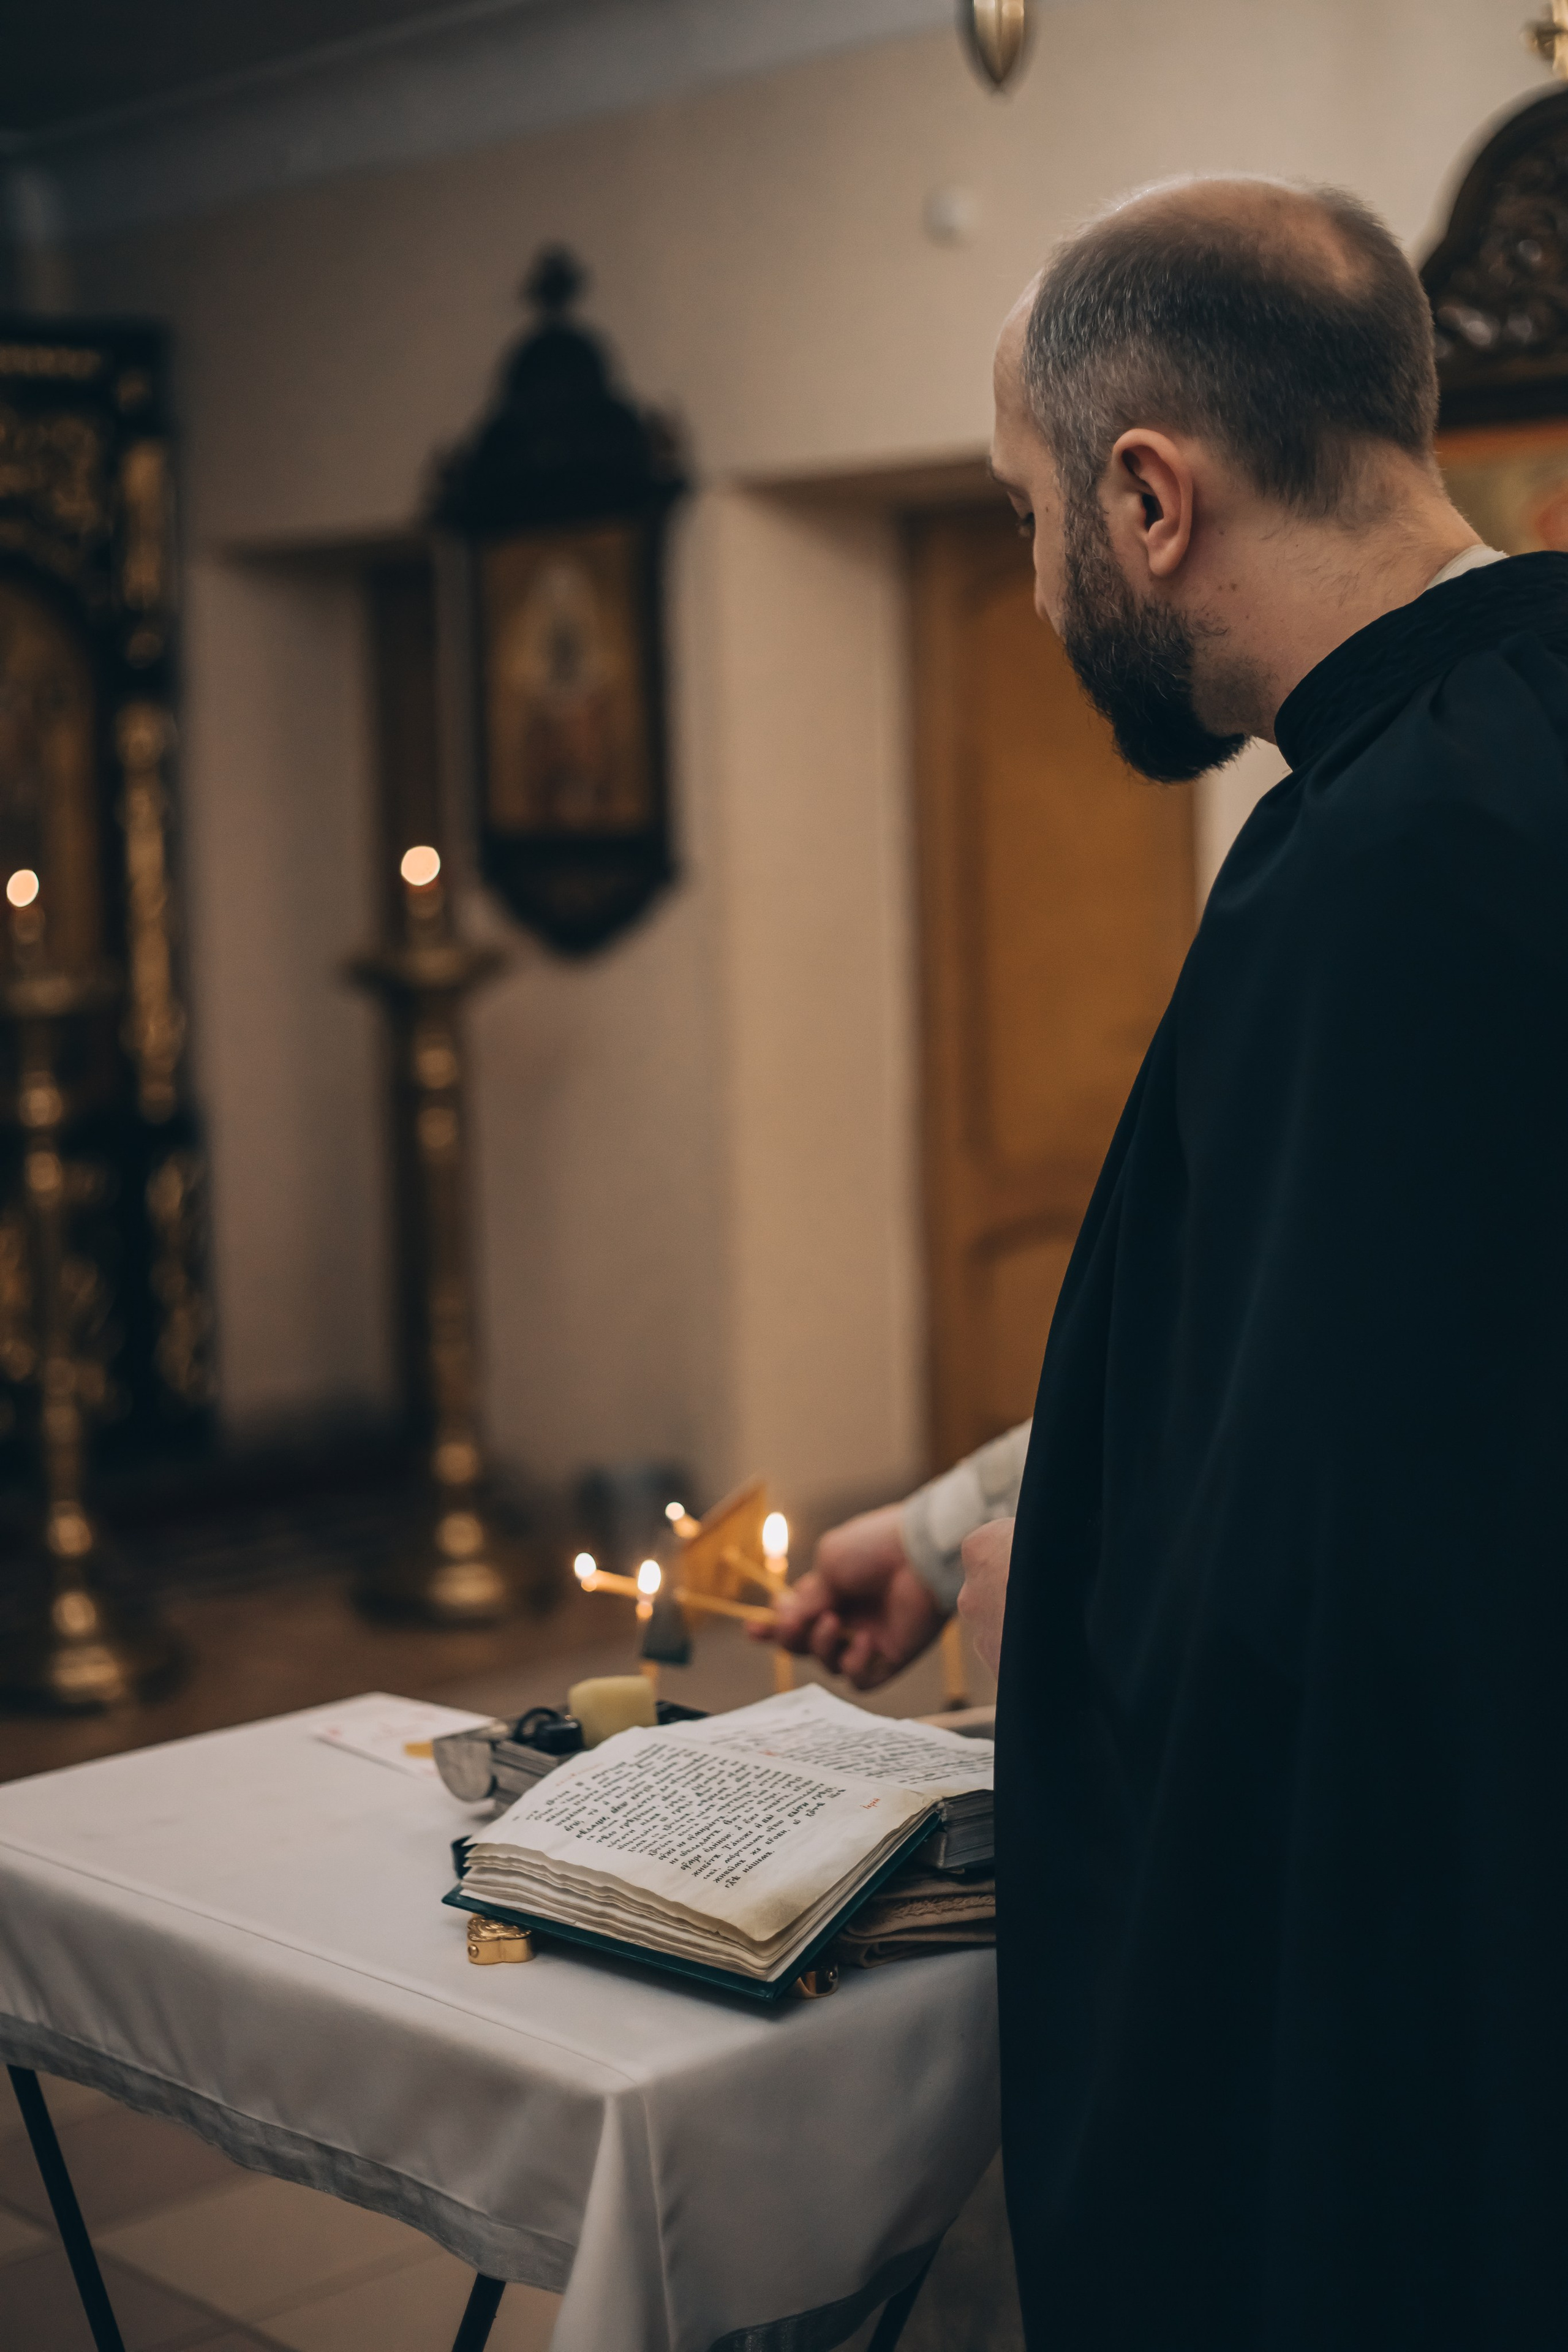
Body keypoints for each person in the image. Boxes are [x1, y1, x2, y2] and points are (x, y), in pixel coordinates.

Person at [771, 175, 1568, 2346]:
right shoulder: (1507, 746)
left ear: (1147, 497)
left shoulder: (1377, 873)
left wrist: (1061, 1606)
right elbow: (1340, 1361)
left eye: (1029, 516)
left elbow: (1325, 1578)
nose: (1035, 586)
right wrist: (956, 1523)